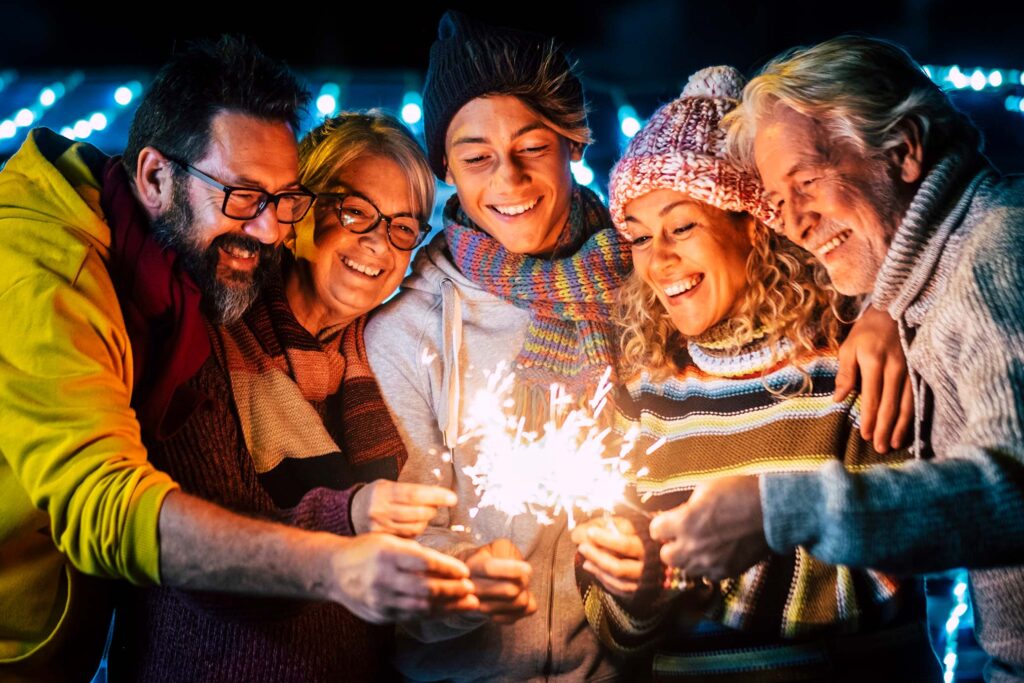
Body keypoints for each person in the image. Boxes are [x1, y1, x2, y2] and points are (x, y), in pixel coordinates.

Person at [366, 13, 909, 682]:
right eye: (476, 157)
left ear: (574, 142)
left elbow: (904, 542)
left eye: (532, 147)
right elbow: (397, 549)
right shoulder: (416, 329)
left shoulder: (652, 297)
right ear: (445, 165)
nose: (506, 179)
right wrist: (473, 582)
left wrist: (887, 308)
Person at [0, 37, 472, 682]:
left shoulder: (185, 277)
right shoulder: (52, 276)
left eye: (281, 200)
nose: (270, 229)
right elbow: (106, 506)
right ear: (155, 176)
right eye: (244, 196)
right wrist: (335, 559)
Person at [656, 36, 1024, 682]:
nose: (793, 224)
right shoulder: (930, 277)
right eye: (777, 200)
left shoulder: (997, 249)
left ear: (904, 150)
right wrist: (884, 306)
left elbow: (1013, 491)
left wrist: (782, 510)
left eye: (806, 183)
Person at [571, 66, 941, 682]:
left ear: (753, 225)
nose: (657, 260)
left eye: (681, 226)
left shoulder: (849, 365)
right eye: (637, 236)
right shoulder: (644, 392)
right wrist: (636, 591)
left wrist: (689, 575)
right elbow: (618, 635)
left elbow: (889, 566)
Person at [106, 110, 454, 681]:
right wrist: (351, 516)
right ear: (297, 210)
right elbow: (207, 565)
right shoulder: (212, 333)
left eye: (402, 228)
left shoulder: (384, 357)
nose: (378, 242)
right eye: (355, 210)